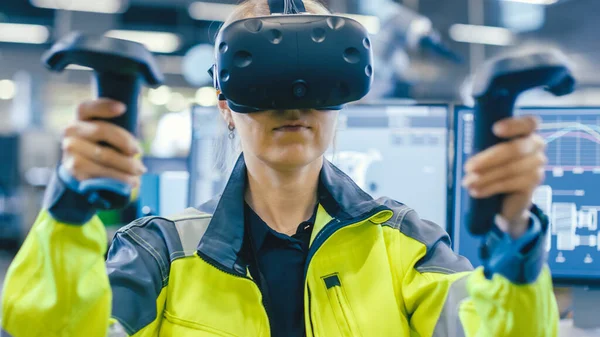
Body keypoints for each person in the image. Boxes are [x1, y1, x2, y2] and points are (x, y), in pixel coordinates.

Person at [1, 0, 557, 336]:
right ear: (225, 106)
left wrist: (513, 246)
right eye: (262, 86)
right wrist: (68, 220)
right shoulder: (159, 258)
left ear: (342, 99)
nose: (293, 104)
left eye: (315, 86)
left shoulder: (409, 248)